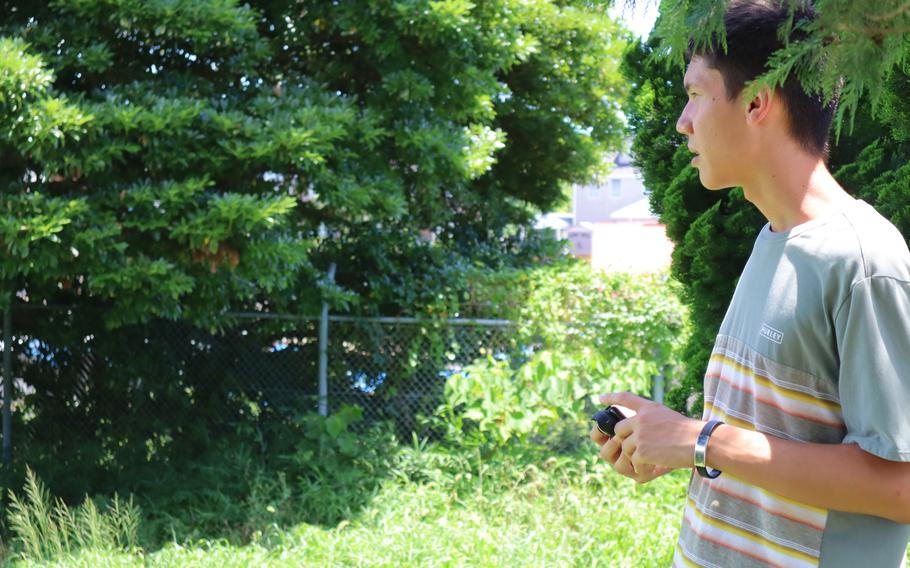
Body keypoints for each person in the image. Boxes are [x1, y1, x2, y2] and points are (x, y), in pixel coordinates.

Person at [589, 1, 910, 567]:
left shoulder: (863, 260)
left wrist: (702, 441)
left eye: (695, 96)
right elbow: (769, 444)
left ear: (758, 101)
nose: (682, 123)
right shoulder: (773, 240)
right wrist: (674, 445)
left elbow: (900, 487)